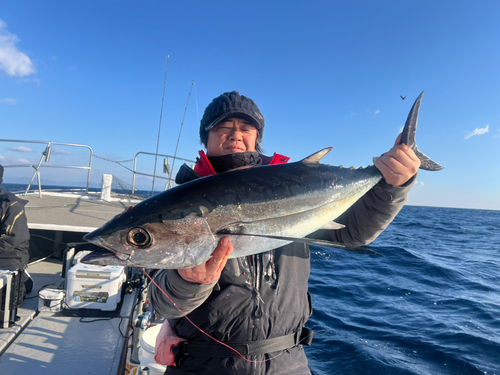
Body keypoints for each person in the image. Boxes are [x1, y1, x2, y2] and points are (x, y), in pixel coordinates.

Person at [148, 91, 420, 374]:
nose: (235, 135)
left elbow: (351, 234)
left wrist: (393, 186)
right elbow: (161, 304)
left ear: (257, 138)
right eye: (222, 127)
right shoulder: (177, 208)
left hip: (287, 362)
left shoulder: (295, 187)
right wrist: (187, 282)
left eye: (246, 128)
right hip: (202, 365)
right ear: (205, 138)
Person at [0, 165, 32, 306]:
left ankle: (25, 281)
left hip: (8, 256)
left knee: (6, 299)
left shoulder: (12, 206)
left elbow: (9, 241)